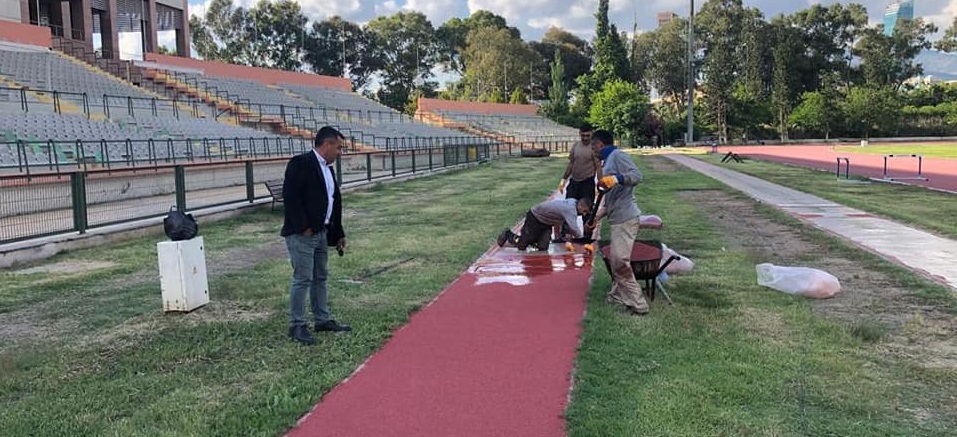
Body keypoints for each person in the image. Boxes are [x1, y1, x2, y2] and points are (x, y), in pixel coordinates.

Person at [280, 126, 353, 346]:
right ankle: (297, 325)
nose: (340, 152)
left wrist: (337, 232)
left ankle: (322, 320)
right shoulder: (300, 163)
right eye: (339, 148)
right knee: (303, 278)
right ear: (327, 144)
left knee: (320, 277)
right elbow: (290, 197)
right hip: (303, 234)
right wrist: (304, 227)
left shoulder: (328, 169)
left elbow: (333, 202)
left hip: (322, 232)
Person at [588, 129, 649, 315]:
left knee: (620, 262)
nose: (592, 150)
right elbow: (610, 200)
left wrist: (617, 178)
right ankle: (616, 296)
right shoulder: (608, 161)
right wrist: (596, 218)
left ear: (600, 144)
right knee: (616, 261)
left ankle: (638, 306)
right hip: (618, 218)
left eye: (593, 146)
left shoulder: (618, 155)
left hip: (626, 218)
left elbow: (637, 176)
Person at [554, 123, 602, 243]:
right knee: (568, 208)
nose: (585, 138)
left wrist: (600, 183)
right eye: (583, 135)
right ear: (579, 134)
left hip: (587, 182)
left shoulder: (594, 148)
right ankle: (564, 235)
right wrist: (563, 179)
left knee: (587, 211)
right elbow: (571, 164)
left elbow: (598, 167)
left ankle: (586, 236)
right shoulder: (576, 146)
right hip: (574, 182)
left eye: (588, 135)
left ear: (592, 134)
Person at [497, 198, 592, 251]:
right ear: (580, 205)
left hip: (546, 222)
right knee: (522, 245)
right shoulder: (570, 210)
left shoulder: (573, 201)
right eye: (584, 211)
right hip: (535, 217)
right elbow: (574, 229)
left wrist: (558, 235)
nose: (583, 214)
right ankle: (508, 234)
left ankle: (533, 240)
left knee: (543, 247)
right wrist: (584, 242)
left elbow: (558, 215)